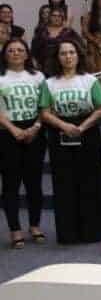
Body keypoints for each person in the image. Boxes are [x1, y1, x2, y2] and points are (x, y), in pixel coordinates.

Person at [38, 39, 101, 245]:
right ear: (57, 58)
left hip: (88, 132)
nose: (68, 57)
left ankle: (92, 232)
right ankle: (68, 234)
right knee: (64, 184)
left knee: (90, 183)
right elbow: (44, 112)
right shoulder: (49, 83)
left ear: (78, 56)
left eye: (72, 52)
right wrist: (64, 126)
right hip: (59, 132)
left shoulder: (90, 80)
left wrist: (82, 127)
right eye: (63, 53)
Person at [0, 38, 47, 249]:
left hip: (35, 132)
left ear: (27, 54)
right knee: (10, 184)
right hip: (7, 133)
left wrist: (36, 127)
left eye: (20, 50)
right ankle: (15, 229)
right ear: (5, 54)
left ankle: (35, 225)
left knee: (34, 182)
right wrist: (14, 129)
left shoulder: (38, 77)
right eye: (11, 50)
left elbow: (45, 105)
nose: (16, 53)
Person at [31, 6, 80, 76]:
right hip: (43, 66)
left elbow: (79, 48)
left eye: (59, 16)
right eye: (54, 16)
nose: (57, 18)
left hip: (64, 65)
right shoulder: (41, 31)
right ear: (50, 17)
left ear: (62, 18)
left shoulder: (69, 32)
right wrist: (35, 62)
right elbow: (34, 48)